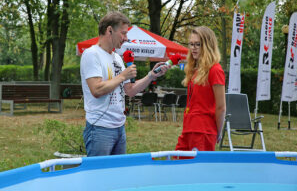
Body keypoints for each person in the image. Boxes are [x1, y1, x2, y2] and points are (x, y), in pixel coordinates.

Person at [80, 11, 169, 157]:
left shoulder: (117, 57)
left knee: (117, 176)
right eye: (123, 33)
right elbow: (96, 89)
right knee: (98, 176)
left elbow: (130, 90)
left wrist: (151, 75)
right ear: (109, 30)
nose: (126, 38)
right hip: (100, 128)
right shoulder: (91, 54)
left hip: (119, 127)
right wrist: (122, 76)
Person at [175, 26, 226, 152]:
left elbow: (221, 107)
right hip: (189, 128)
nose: (193, 48)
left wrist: (218, 132)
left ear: (208, 45)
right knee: (178, 163)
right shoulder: (195, 69)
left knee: (197, 169)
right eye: (191, 44)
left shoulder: (215, 70)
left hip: (203, 131)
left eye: (198, 44)